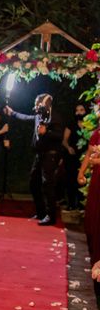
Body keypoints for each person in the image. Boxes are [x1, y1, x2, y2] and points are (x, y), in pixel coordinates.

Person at [4, 94, 64, 226]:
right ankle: (41, 212)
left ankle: (51, 216)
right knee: (33, 182)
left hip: (50, 154)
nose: (36, 106)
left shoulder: (55, 117)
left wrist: (46, 131)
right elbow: (26, 118)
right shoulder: (38, 116)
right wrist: (12, 113)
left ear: (45, 103)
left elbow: (59, 136)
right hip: (40, 154)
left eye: (38, 103)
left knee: (47, 184)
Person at [78, 129, 100, 266]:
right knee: (91, 219)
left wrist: (98, 161)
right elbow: (89, 153)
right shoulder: (97, 133)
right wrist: (81, 173)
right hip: (97, 180)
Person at [63, 103, 87, 210]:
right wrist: (68, 147)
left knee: (83, 180)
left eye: (81, 110)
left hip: (85, 158)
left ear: (85, 111)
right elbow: (64, 140)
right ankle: (71, 204)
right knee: (71, 180)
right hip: (72, 157)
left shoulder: (90, 125)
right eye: (77, 110)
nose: (79, 112)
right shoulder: (71, 124)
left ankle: (82, 204)